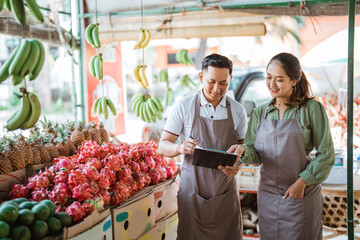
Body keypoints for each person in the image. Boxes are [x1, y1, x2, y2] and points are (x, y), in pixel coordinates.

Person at [229, 52, 335, 240]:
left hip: (300, 194)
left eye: (279, 79)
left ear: (294, 80)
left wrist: (302, 182)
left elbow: (326, 154)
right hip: (268, 196)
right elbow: (255, 154)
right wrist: (244, 150)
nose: (272, 84)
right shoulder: (260, 113)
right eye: (268, 78)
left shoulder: (311, 109)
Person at [158, 53, 247, 240]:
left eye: (223, 83)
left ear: (230, 79)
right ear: (201, 77)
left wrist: (238, 165)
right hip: (193, 194)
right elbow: (163, 146)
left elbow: (244, 150)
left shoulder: (237, 110)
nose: (217, 88)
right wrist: (179, 147)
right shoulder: (184, 106)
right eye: (211, 81)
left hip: (225, 195)